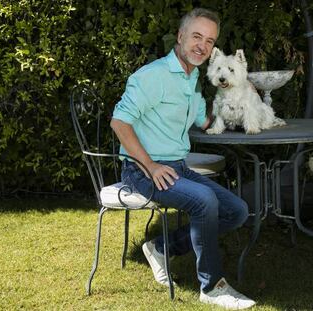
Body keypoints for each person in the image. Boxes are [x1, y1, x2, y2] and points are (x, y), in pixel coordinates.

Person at [111, 8, 256, 310]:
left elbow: (206, 120)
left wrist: (245, 99)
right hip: (143, 170)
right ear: (180, 37)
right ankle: (212, 287)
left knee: (237, 210)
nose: (202, 45)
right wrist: (149, 166)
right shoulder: (153, 76)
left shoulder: (191, 80)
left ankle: (162, 247)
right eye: (197, 36)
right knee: (205, 201)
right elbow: (119, 123)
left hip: (178, 167)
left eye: (210, 40)